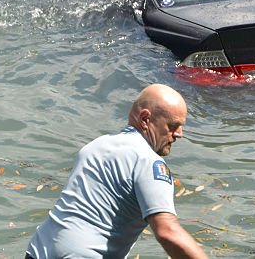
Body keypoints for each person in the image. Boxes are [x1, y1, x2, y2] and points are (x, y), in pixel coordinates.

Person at [25, 84, 208, 259]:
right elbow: (167, 232)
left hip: (39, 250)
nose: (179, 133)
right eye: (173, 125)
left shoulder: (96, 145)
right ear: (145, 119)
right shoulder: (149, 162)